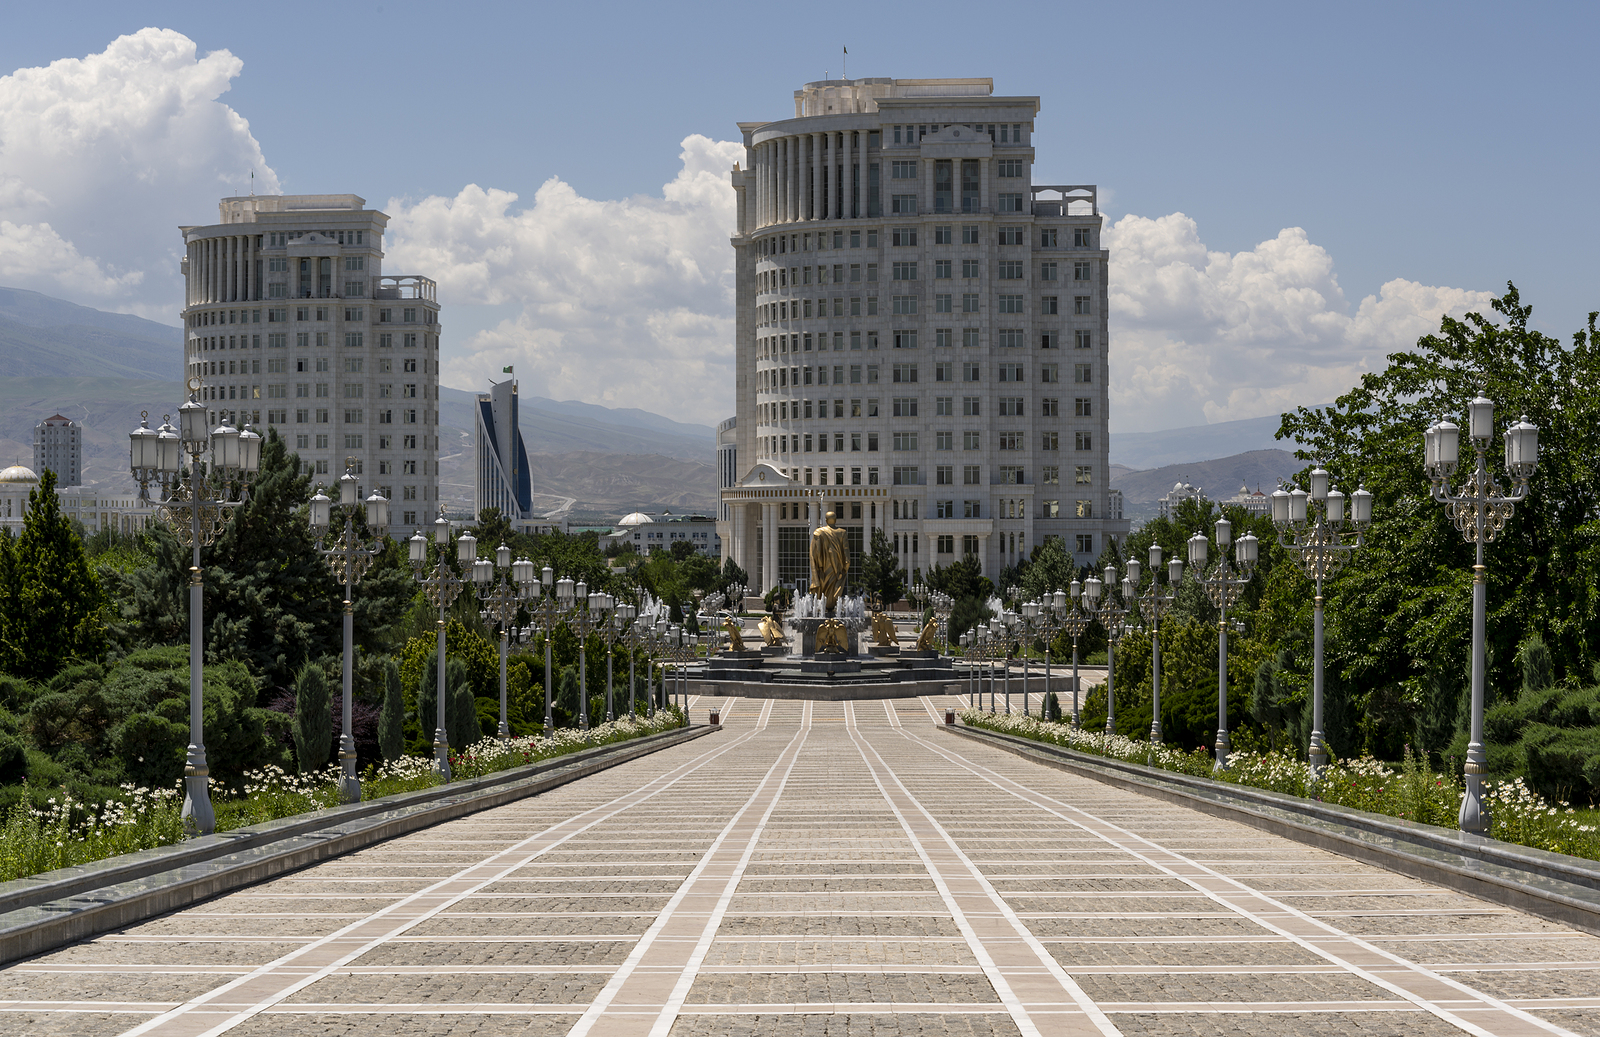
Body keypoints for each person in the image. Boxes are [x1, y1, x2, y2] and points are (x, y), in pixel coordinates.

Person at [809, 511, 849, 612]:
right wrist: (845, 569)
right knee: (835, 589)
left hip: (823, 568)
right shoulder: (842, 533)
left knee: (823, 590)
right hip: (837, 569)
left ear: (826, 520)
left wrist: (818, 565)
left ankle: (823, 609)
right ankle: (833, 607)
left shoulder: (819, 532)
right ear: (835, 520)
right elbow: (846, 555)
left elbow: (815, 552)